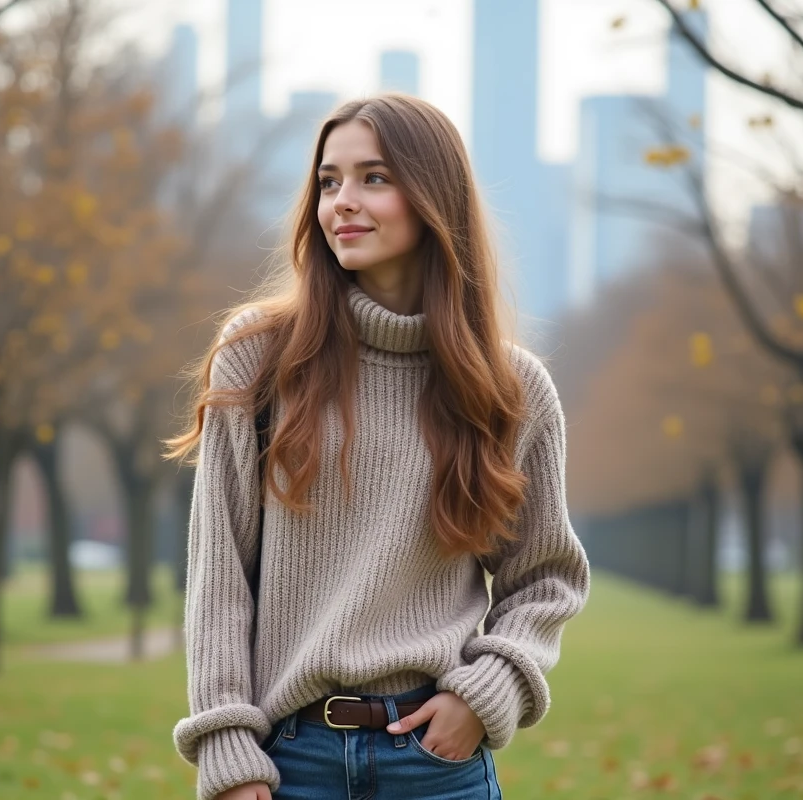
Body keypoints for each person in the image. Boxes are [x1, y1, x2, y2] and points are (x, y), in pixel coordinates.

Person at [163, 93, 591, 800]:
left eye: (374, 178)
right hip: (285, 763)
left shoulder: (509, 386)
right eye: (329, 182)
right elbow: (219, 575)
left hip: (436, 764)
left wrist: (485, 692)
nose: (343, 202)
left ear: (433, 197)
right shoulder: (258, 358)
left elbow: (544, 578)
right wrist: (227, 751)